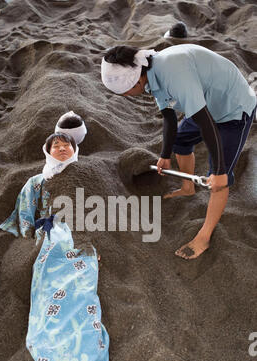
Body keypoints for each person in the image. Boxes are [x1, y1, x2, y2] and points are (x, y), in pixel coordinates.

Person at [0, 112, 109, 361]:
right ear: (47, 150)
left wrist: (95, 246)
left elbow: (100, 215)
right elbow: (22, 221)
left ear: (76, 151)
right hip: (49, 247)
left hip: (82, 246)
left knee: (86, 302)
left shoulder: (85, 178)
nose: (62, 148)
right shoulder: (36, 183)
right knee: (48, 308)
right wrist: (32, 242)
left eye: (67, 145)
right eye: (56, 145)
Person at [101, 44, 257, 259]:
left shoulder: (173, 72)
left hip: (233, 109)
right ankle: (188, 187)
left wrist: (220, 170)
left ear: (137, 80)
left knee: (220, 179)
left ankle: (205, 236)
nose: (128, 96)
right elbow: (169, 117)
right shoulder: (151, 72)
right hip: (206, 103)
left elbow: (206, 123)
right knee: (180, 140)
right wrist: (165, 155)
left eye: (126, 92)